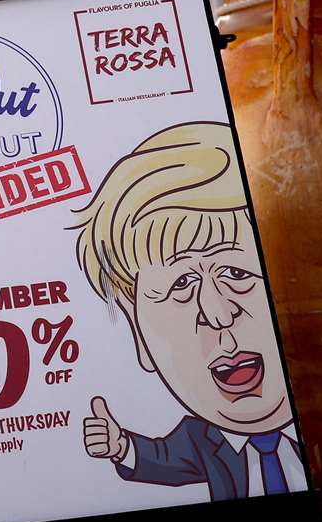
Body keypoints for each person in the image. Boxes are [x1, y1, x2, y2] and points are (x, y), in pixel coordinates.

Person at [72, 122, 307, 501]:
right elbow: (162, 459)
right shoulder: (201, 439)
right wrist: (121, 447)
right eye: (181, 284)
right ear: (139, 335)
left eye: (236, 273)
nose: (218, 314)